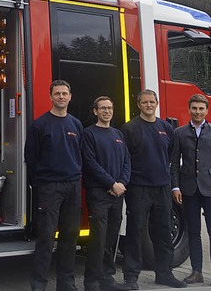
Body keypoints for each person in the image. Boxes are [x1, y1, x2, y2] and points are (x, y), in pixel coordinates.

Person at [121, 89, 186, 289]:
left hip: (162, 188)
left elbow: (171, 158)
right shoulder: (129, 129)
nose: (149, 105)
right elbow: (125, 159)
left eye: (152, 102)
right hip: (138, 189)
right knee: (135, 233)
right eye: (145, 102)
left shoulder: (166, 128)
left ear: (157, 103)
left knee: (163, 232)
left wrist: (171, 185)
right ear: (138, 105)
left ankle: (164, 274)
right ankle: (131, 277)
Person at [24, 79, 83, 291]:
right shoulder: (39, 125)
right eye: (57, 93)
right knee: (46, 239)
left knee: (69, 238)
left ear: (70, 96)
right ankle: (39, 285)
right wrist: (42, 182)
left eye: (64, 93)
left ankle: (66, 284)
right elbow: (31, 158)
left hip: (73, 186)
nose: (61, 97)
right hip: (49, 188)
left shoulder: (76, 124)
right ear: (50, 97)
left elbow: (80, 154)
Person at [171, 94, 211, 286]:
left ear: (206, 110)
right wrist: (176, 186)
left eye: (201, 108)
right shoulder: (179, 133)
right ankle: (196, 272)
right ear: (189, 109)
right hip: (188, 190)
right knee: (193, 232)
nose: (197, 112)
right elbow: (173, 164)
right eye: (194, 108)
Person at [81, 96, 131, 291]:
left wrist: (122, 183)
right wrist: (111, 183)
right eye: (102, 108)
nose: (107, 111)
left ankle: (107, 279)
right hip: (99, 194)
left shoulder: (118, 134)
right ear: (95, 111)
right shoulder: (88, 134)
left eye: (109, 108)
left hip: (117, 194)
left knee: (111, 238)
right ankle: (91, 282)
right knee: (98, 239)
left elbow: (127, 162)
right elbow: (90, 163)